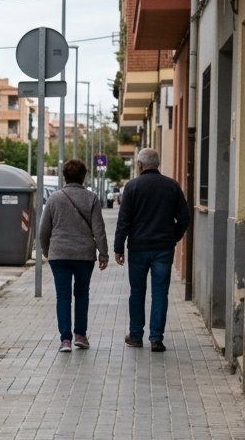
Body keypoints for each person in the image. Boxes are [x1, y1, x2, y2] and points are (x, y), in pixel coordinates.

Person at [113, 148, 190, 352]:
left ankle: (136, 336)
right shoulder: (171, 186)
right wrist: (173, 237)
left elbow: (124, 221)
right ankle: (156, 339)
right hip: (163, 248)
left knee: (137, 292)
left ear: (140, 165)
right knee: (160, 293)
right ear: (157, 164)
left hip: (138, 248)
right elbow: (185, 217)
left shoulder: (132, 187)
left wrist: (118, 248)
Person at [40, 158, 108, 352]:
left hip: (59, 255)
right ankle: (80, 335)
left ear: (64, 176)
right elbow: (99, 229)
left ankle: (65, 340)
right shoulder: (91, 198)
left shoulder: (54, 198)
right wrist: (103, 254)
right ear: (83, 176)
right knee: (81, 294)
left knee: (63, 297)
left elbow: (44, 230)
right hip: (84, 255)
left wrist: (47, 251)